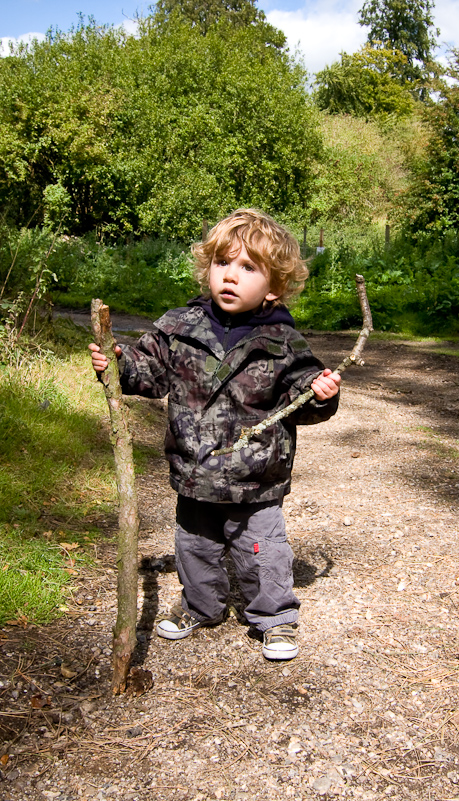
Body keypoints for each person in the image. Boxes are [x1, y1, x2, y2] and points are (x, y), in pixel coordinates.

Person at [89, 209, 341, 660]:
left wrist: (319, 393)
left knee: (262, 551)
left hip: (257, 477)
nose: (231, 276)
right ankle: (200, 607)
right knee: (194, 546)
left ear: (274, 286)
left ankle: (275, 618)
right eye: (222, 263)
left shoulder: (282, 341)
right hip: (195, 468)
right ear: (207, 267)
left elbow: (302, 397)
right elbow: (149, 375)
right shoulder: (178, 327)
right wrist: (119, 365)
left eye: (248, 268)